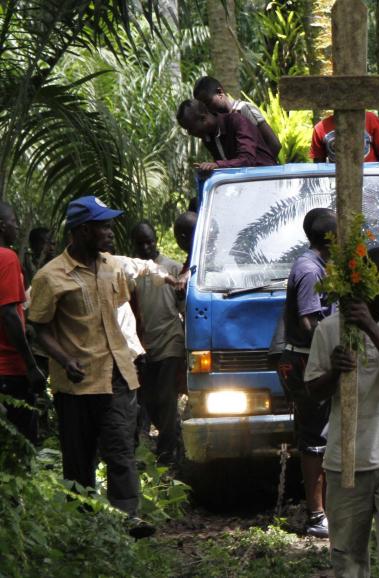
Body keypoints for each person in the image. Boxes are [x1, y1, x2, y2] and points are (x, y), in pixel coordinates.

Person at [28, 196, 154, 538]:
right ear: (83, 231)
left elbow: (127, 307)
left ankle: (127, 519)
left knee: (121, 451)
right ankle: (83, 529)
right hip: (77, 384)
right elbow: (38, 326)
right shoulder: (50, 276)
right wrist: (65, 358)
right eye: (104, 226)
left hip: (117, 375)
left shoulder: (112, 266)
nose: (110, 233)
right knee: (79, 460)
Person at [304, 247, 379, 577]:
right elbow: (313, 390)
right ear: (366, 280)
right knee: (347, 552)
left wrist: (370, 326)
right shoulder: (330, 329)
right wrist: (334, 372)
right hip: (344, 462)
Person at [277, 208, 336, 538]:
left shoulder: (323, 266)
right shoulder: (310, 269)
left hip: (315, 359)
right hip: (304, 361)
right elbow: (308, 322)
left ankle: (329, 506)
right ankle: (316, 515)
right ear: (331, 238)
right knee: (314, 437)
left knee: (326, 434)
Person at [130, 221, 185, 465]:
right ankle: (171, 440)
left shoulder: (172, 268)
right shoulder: (132, 273)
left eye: (149, 241)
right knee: (150, 402)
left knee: (166, 398)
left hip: (170, 340)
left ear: (156, 241)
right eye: (140, 243)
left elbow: (184, 306)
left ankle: (166, 457)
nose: (145, 247)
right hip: (145, 347)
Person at [0, 203, 47, 444]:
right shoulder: (6, 257)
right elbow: (8, 313)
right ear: (2, 225)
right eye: (14, 221)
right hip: (9, 368)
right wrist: (30, 365)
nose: (17, 226)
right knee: (21, 446)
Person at [193, 76, 282, 160]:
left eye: (207, 102)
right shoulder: (216, 124)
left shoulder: (244, 109)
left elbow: (274, 145)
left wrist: (259, 168)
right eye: (203, 107)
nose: (207, 109)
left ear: (220, 92)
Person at [176, 99, 278, 172]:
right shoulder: (208, 139)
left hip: (265, 180)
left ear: (203, 119)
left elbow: (247, 160)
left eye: (190, 128)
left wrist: (217, 165)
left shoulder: (237, 121)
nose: (189, 133)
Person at [310, 112, 379, 163]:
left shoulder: (370, 119)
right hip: (336, 179)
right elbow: (319, 164)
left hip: (370, 176)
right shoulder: (320, 128)